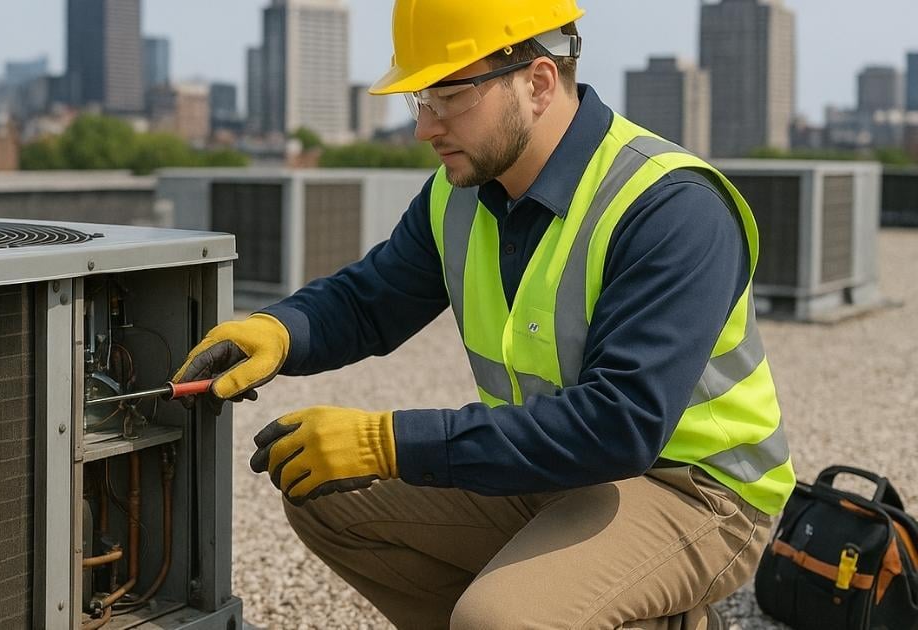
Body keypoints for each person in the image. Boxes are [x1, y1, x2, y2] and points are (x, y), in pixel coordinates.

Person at [174, 0, 795, 627]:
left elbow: (621, 425)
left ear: (539, 82)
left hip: (691, 489)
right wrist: (280, 331)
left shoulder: (670, 207)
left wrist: (387, 441)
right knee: (322, 491)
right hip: (553, 463)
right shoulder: (461, 192)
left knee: (498, 618)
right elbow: (373, 299)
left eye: (449, 95)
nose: (425, 127)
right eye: (420, 100)